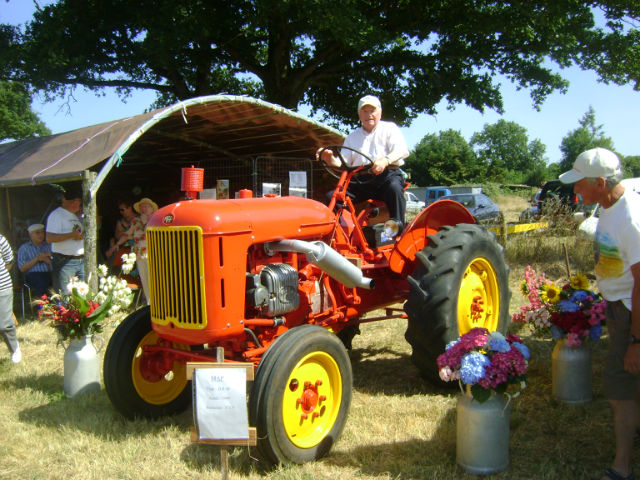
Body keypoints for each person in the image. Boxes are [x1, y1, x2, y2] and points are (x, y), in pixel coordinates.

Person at [560, 147, 640, 480]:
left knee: (619, 391)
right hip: (618, 305)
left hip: (630, 312)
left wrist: (636, 339)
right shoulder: (607, 206)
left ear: (602, 182)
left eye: (580, 183)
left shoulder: (630, 219)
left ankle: (621, 466)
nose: (575, 189)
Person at [317, 94, 410, 225]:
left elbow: (402, 150)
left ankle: (396, 228)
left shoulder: (390, 129)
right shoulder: (352, 137)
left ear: (380, 112)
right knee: (332, 197)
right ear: (359, 115)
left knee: (394, 188)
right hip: (361, 181)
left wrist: (385, 160)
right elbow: (342, 164)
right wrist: (329, 158)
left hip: (387, 176)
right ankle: (342, 234)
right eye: (364, 111)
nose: (369, 115)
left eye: (372, 111)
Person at [110, 197, 158, 302]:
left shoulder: (156, 219)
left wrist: (146, 222)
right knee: (145, 281)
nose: (143, 209)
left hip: (154, 255)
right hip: (140, 255)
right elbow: (127, 235)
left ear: (152, 208)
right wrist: (116, 244)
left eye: (146, 206)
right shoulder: (135, 221)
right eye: (141, 207)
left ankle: (158, 305)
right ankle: (149, 306)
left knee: (155, 282)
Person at [46, 184, 84, 292]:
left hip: (81, 260)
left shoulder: (76, 215)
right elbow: (49, 237)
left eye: (78, 201)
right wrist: (71, 235)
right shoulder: (56, 215)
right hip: (65, 261)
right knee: (66, 296)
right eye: (73, 201)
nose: (76, 204)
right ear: (64, 199)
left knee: (85, 295)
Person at [17, 223, 53, 298]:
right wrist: (36, 259)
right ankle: (41, 307)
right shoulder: (24, 248)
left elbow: (57, 263)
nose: (41, 235)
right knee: (42, 282)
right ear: (30, 235)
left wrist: (48, 259)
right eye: (37, 233)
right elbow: (22, 268)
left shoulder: (49, 246)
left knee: (59, 280)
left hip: (51, 273)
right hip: (34, 275)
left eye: (42, 232)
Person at [0, 232, 20, 363]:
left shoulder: (0, 239)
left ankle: (15, 349)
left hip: (2, 287)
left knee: (4, 324)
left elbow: (9, 260)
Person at [105, 198, 138, 265]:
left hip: (136, 247)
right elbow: (117, 237)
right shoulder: (120, 222)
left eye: (122, 210)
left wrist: (125, 232)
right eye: (120, 210)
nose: (121, 212)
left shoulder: (138, 219)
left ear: (129, 208)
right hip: (123, 247)